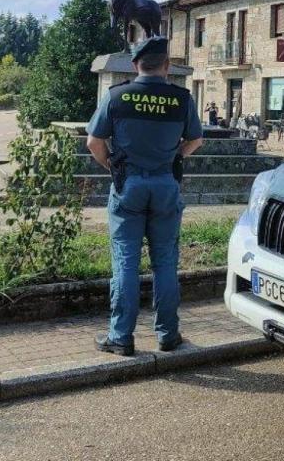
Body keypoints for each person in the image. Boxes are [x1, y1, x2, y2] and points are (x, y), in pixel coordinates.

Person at [86, 36, 203, 356]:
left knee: (125, 261)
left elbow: (94, 143)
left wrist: (113, 164)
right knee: (165, 262)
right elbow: (195, 140)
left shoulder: (117, 96)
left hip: (129, 185)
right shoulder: (182, 99)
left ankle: (121, 337)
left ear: (135, 64)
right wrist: (175, 155)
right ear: (166, 66)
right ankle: (168, 334)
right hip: (166, 184)